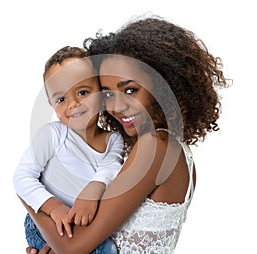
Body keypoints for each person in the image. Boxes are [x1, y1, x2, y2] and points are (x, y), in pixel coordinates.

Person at [25, 15, 228, 254]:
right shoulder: (159, 149)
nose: (117, 106)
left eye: (131, 90)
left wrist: (28, 195)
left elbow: (74, 248)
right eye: (108, 94)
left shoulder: (155, 147)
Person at [13, 46, 124, 253]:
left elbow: (111, 166)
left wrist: (93, 190)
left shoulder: (113, 139)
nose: (73, 104)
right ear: (52, 105)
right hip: (46, 222)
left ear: (101, 94)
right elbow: (22, 176)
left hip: (85, 225)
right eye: (61, 99)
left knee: (108, 247)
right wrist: (53, 207)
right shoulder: (52, 134)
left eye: (82, 92)